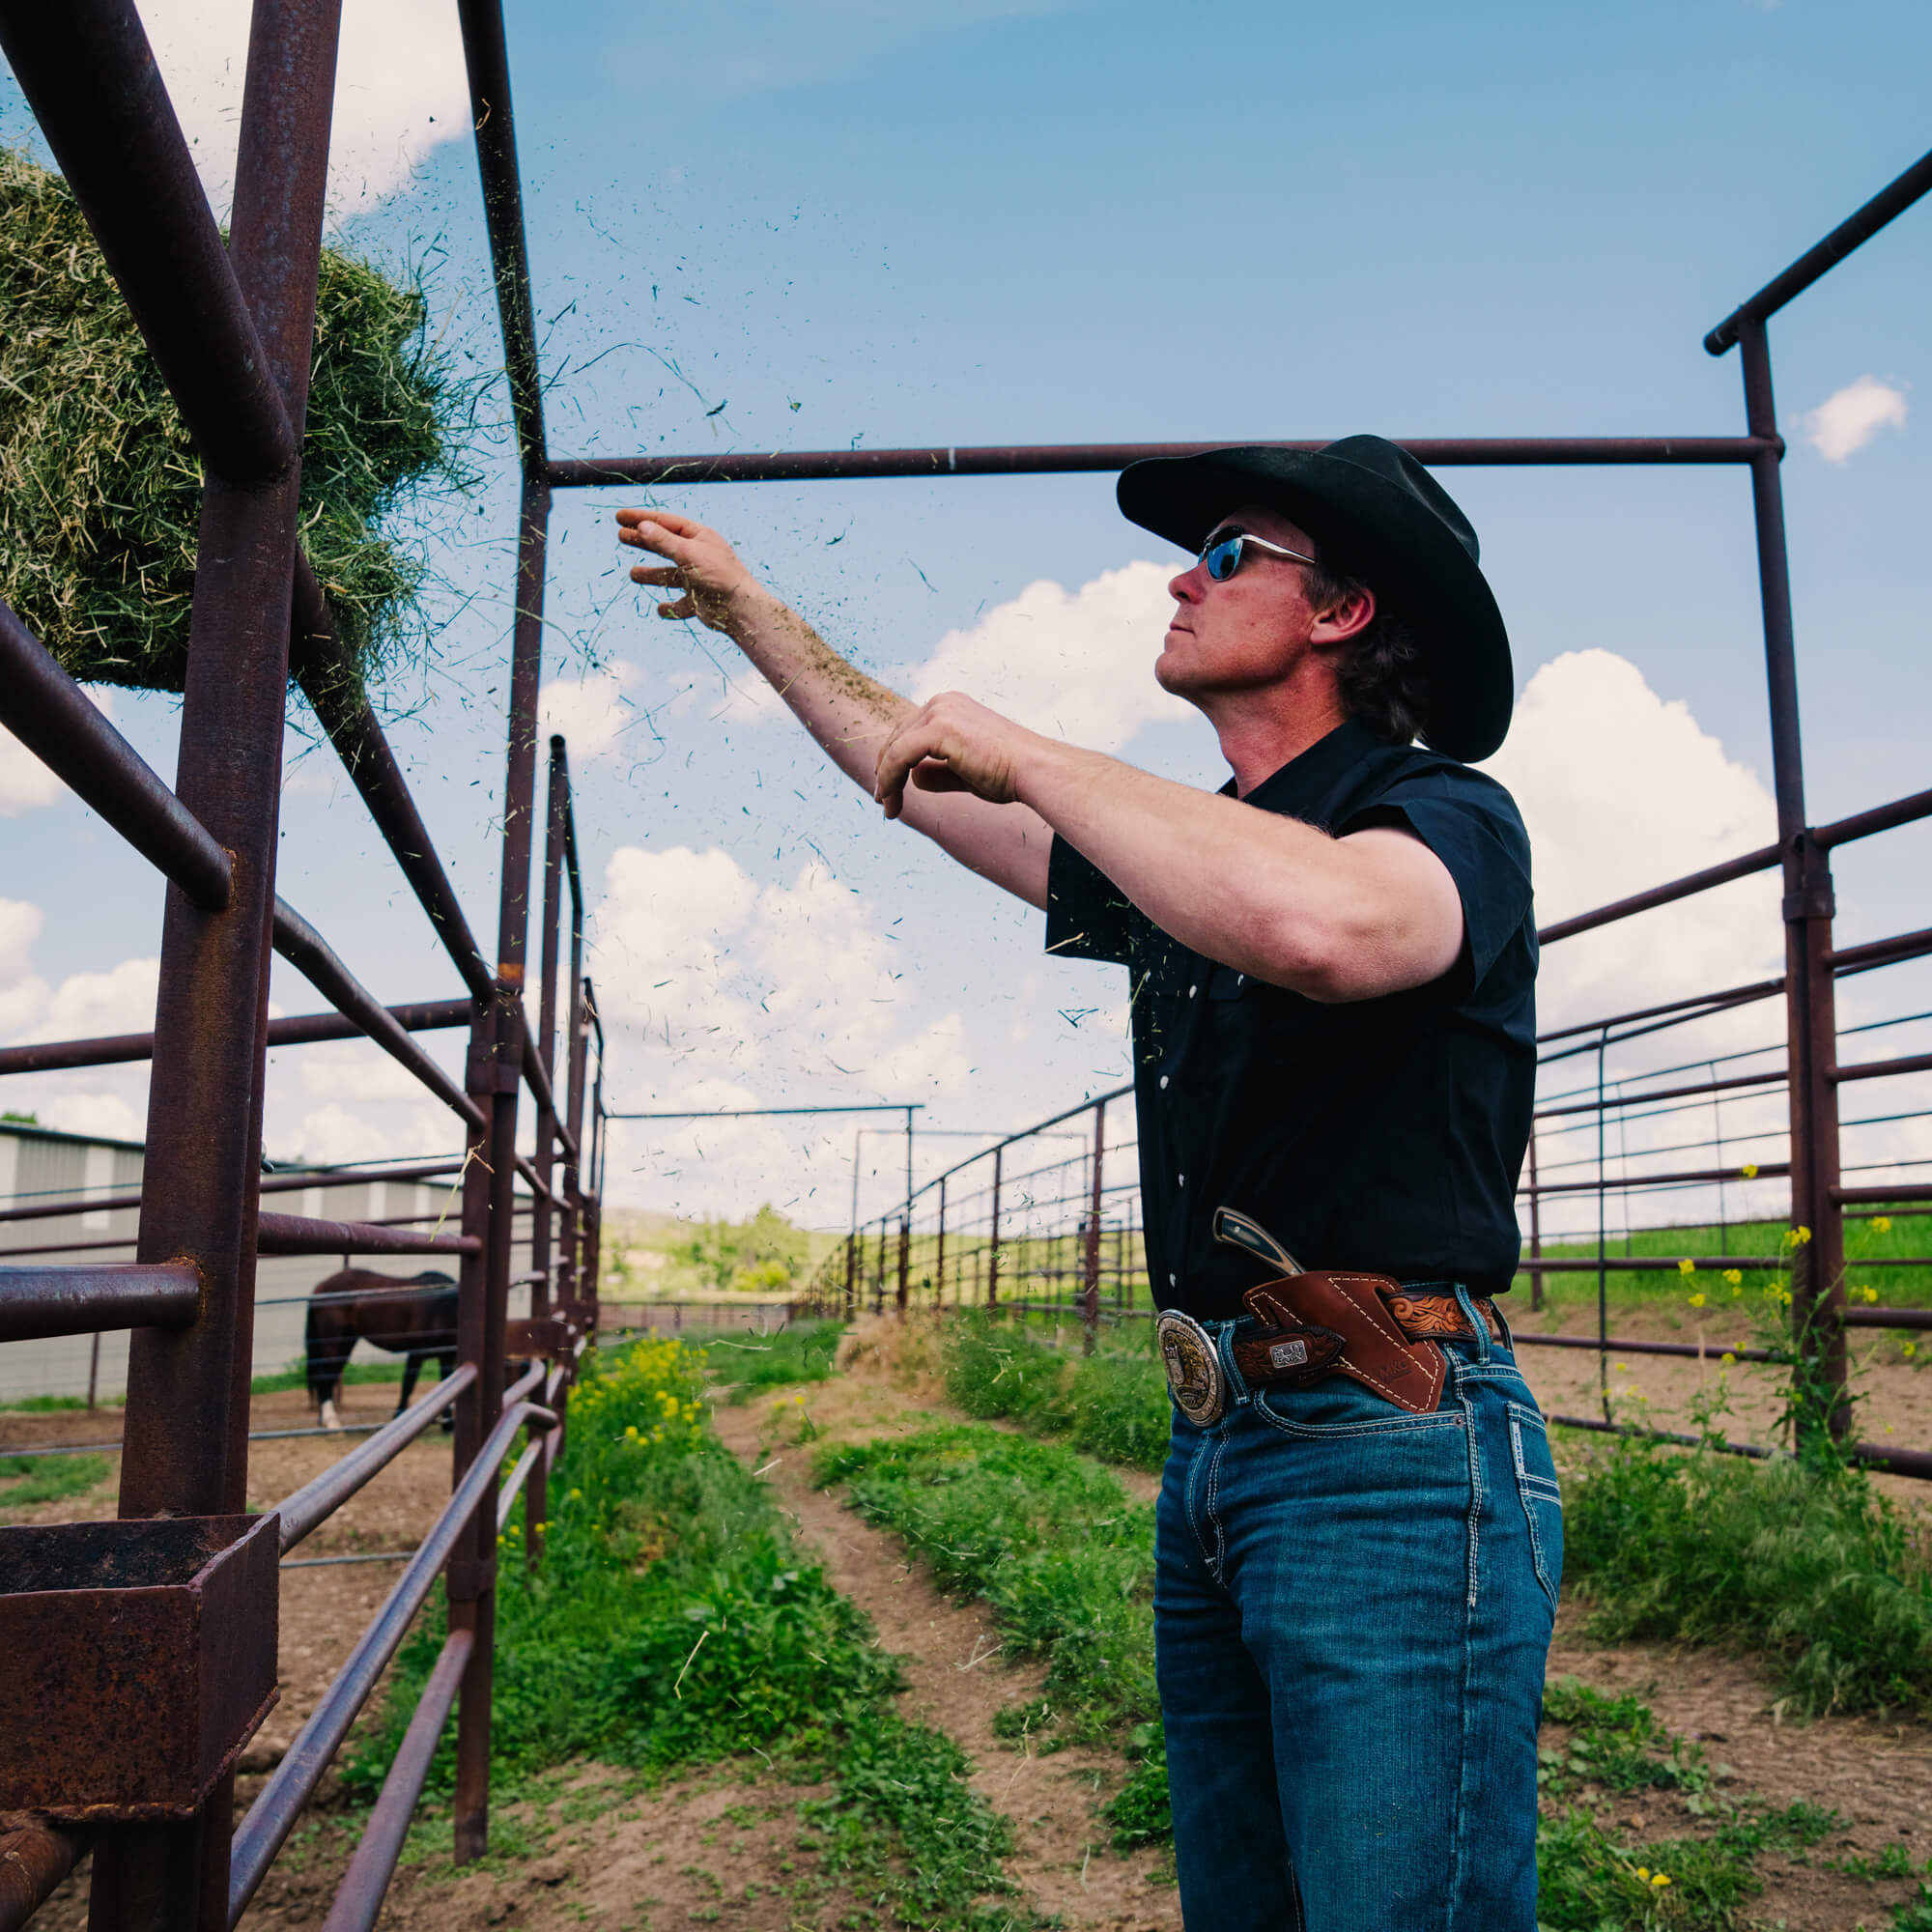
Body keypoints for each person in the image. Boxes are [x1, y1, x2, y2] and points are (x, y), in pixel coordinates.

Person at [614, 436, 1555, 1931]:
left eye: (1232, 552)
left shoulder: (1440, 816)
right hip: (1219, 1445)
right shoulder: (1178, 852)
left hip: (1389, 1445)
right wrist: (751, 613)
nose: (1186, 574)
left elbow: (1334, 930)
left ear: (1343, 611)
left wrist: (1040, 752)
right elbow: (920, 774)